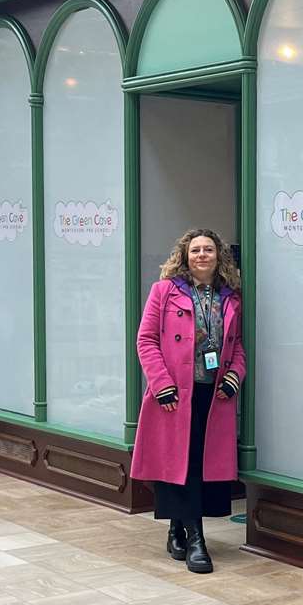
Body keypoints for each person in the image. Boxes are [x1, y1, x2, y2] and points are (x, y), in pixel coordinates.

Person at [129, 229, 246, 573]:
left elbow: (237, 346)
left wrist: (234, 375)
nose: (201, 255)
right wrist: (161, 384)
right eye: (195, 250)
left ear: (218, 256)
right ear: (184, 255)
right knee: (180, 464)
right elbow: (146, 339)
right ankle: (197, 540)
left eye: (208, 249)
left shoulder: (230, 298)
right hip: (175, 395)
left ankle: (176, 529)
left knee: (196, 465)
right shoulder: (164, 291)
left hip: (213, 396)